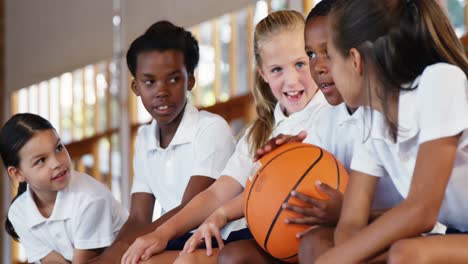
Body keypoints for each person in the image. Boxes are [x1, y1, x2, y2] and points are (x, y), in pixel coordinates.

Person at [121, 10, 329, 264]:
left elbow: (281, 190)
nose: (291, 80)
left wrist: (220, 215)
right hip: (253, 233)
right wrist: (160, 234)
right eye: (277, 69)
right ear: (262, 74)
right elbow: (217, 193)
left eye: (300, 64)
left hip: (293, 237)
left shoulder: (330, 115)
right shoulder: (258, 132)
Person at [221, 2, 401, 263]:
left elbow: (421, 213)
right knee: (237, 256)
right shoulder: (329, 119)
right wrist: (282, 161)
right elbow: (303, 194)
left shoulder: (390, 111)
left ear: (358, 54)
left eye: (328, 52)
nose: (318, 67)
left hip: (410, 229)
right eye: (312, 54)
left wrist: (346, 216)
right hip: (359, 225)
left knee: (315, 245)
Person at [312, 0, 468, 263]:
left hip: (451, 233)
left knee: (406, 253)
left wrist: (334, 260)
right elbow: (351, 222)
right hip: (456, 233)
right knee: (323, 244)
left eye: (331, 57)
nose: (325, 69)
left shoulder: (440, 81)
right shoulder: (371, 117)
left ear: (354, 60)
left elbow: (421, 209)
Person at [93, 20, 236, 263]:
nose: (161, 91)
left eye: (173, 79)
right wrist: (109, 256)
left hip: (218, 237)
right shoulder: (145, 138)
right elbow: (139, 217)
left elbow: (191, 208)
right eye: (150, 82)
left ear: (190, 80)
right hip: (174, 240)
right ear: (135, 86)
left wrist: (117, 256)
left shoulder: (211, 128)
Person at [2, 113, 128, 263]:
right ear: (17, 174)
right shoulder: (18, 213)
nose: (56, 163)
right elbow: (52, 261)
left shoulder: (90, 199)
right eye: (41, 160)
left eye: (58, 148)